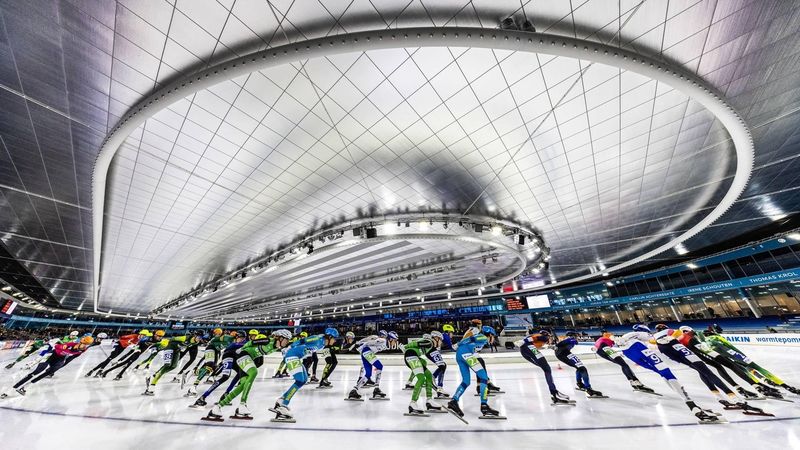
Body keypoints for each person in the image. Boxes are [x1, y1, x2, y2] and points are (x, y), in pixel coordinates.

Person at [615, 325, 723, 424]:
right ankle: (692, 405)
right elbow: (637, 336)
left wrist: (622, 341)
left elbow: (623, 341)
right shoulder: (642, 335)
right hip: (638, 348)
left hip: (629, 353)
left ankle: (692, 404)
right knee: (666, 372)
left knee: (664, 375)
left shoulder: (639, 339)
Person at [651, 324, 766, 415]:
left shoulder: (654, 337)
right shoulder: (672, 331)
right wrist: (687, 335)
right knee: (709, 371)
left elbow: (653, 344)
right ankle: (734, 398)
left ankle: (718, 396)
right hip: (684, 348)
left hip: (670, 352)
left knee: (702, 371)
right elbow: (680, 334)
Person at [203, 331, 289, 421]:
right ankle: (242, 404)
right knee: (254, 372)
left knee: (243, 385)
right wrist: (242, 348)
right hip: (243, 354)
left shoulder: (276, 347)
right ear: (280, 337)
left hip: (247, 358)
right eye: (286, 340)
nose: (286, 342)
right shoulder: (268, 340)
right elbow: (251, 343)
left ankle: (218, 407)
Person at [676, 326, 771, 400]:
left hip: (695, 357)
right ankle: (756, 386)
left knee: (716, 368)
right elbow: (703, 344)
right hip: (705, 352)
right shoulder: (693, 334)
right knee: (731, 365)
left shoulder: (679, 337)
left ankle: (736, 388)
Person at [702, 329, 799, 395]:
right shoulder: (716, 338)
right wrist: (739, 356)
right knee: (758, 368)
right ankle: (784, 385)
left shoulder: (705, 343)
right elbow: (727, 346)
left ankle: (761, 384)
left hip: (729, 359)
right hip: (737, 355)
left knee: (747, 371)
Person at [269, 328, 337, 421]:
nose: (335, 341)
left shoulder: (323, 344)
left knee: (304, 379)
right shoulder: (318, 339)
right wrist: (288, 348)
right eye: (334, 338)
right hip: (292, 355)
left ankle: (281, 400)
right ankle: (284, 404)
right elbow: (302, 340)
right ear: (329, 337)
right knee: (300, 380)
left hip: (297, 357)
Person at [2, 336, 94, 398]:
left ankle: (25, 387)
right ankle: (10, 390)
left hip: (60, 359)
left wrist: (62, 364)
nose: (84, 346)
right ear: (81, 342)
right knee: (36, 372)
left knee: (47, 373)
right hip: (51, 356)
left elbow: (73, 357)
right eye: (84, 344)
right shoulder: (70, 345)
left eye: (86, 345)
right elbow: (56, 347)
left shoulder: (83, 350)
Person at [446, 326, 503, 419]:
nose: (493, 340)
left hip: (460, 355)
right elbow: (470, 338)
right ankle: (484, 405)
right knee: (484, 377)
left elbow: (470, 342)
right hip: (465, 354)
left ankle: (454, 401)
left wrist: (458, 346)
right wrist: (458, 344)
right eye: (494, 337)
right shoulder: (483, 337)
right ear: (490, 335)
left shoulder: (482, 341)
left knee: (466, 381)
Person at [190, 332, 248, 408]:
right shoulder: (233, 342)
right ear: (236, 338)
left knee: (241, 373)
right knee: (225, 377)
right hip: (228, 357)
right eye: (240, 338)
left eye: (243, 338)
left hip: (234, 359)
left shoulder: (243, 343)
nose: (241, 340)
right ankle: (202, 397)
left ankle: (226, 394)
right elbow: (232, 346)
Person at [516, 329, 573, 405]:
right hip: (528, 347)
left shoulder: (539, 338)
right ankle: (554, 393)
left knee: (546, 369)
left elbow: (536, 343)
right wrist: (524, 341)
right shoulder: (543, 337)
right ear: (546, 335)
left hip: (524, 350)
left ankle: (554, 392)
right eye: (549, 337)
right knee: (547, 369)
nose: (549, 339)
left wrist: (551, 347)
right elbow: (533, 338)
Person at [346, 330, 397, 401]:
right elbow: (370, 341)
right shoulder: (383, 340)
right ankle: (376, 389)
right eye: (395, 340)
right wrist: (358, 344)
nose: (395, 342)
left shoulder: (385, 343)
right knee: (379, 366)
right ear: (391, 339)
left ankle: (354, 391)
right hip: (367, 351)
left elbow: (370, 342)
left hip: (365, 353)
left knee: (368, 374)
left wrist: (360, 345)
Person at [402, 335, 446, 415]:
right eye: (441, 340)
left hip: (414, 356)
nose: (441, 343)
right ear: (436, 339)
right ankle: (413, 403)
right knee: (421, 379)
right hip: (411, 355)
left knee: (429, 375)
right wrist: (405, 346)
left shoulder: (430, 346)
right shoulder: (429, 342)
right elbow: (415, 343)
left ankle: (429, 400)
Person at [554, 330, 604, 398]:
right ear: (572, 335)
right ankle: (589, 389)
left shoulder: (569, 339)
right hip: (564, 354)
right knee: (583, 369)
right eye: (576, 336)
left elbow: (559, 344)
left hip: (562, 354)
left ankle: (580, 384)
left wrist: (557, 345)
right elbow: (560, 344)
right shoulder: (571, 339)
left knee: (579, 367)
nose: (577, 337)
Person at [184, 328, 232, 396]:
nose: (217, 335)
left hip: (216, 351)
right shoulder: (223, 338)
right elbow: (212, 342)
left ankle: (192, 372)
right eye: (216, 334)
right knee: (209, 364)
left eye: (218, 334)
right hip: (211, 348)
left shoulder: (232, 342)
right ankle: (193, 386)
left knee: (211, 368)